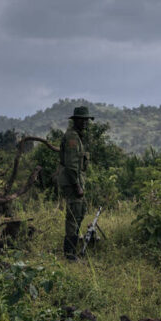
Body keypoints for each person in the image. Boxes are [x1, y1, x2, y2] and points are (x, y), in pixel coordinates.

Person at [58, 106, 94, 260]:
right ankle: (70, 254)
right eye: (83, 120)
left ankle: (72, 250)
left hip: (75, 182)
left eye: (87, 120)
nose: (85, 122)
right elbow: (71, 165)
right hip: (72, 183)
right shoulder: (72, 138)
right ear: (76, 120)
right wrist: (77, 186)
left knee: (79, 213)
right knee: (73, 217)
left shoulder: (77, 137)